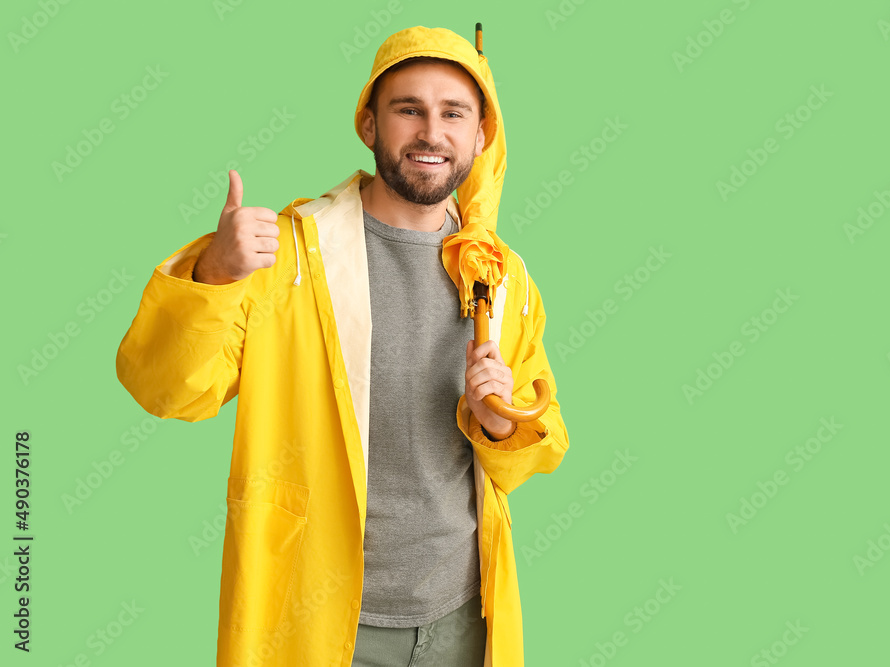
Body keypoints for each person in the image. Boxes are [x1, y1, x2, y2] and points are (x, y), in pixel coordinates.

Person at [116, 24, 569, 667]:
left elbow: (537, 448)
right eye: (408, 109)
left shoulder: (500, 276)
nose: (431, 133)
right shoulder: (286, 256)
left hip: (464, 618)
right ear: (368, 125)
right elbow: (164, 389)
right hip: (321, 622)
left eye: (453, 113)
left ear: (480, 136)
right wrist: (214, 275)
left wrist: (501, 425)